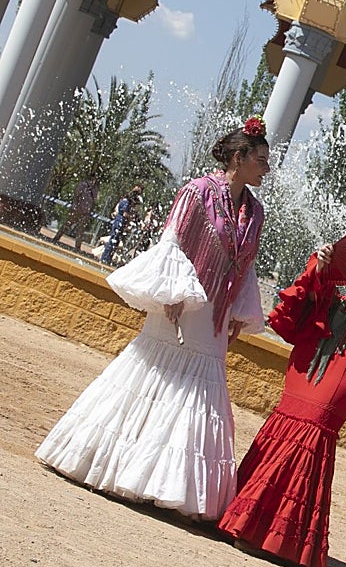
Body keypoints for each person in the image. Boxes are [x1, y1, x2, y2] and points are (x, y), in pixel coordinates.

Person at [36, 117, 271, 521]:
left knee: (202, 389)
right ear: (239, 157)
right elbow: (173, 240)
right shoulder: (196, 192)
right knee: (152, 374)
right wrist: (173, 291)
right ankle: (110, 462)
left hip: (215, 312)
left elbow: (246, 267)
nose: (266, 168)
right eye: (261, 160)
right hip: (183, 303)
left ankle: (168, 483)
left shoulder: (256, 211)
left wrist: (240, 312)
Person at [219, 178, 346, 567]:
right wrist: (320, 267)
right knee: (285, 422)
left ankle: (276, 537)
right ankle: (242, 520)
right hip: (315, 348)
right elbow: (312, 292)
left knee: (314, 427)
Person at [53, 173, 99, 250]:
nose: (93, 181)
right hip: (77, 210)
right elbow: (76, 195)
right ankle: (56, 238)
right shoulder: (83, 185)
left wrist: (90, 211)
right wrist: (75, 206)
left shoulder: (95, 189)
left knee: (80, 230)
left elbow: (94, 201)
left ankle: (77, 247)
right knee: (67, 224)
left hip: (85, 212)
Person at [99, 184, 143, 264]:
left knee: (115, 242)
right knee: (113, 240)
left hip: (120, 223)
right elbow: (125, 214)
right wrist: (131, 217)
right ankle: (105, 258)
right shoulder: (126, 202)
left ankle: (108, 258)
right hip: (119, 222)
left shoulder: (125, 202)